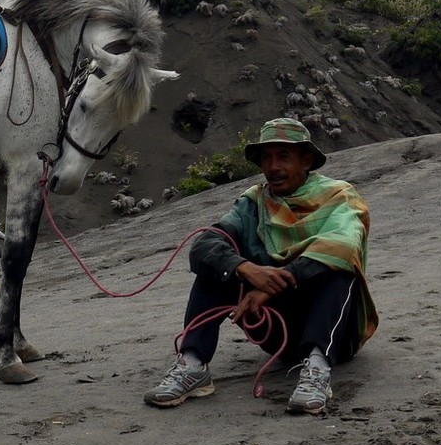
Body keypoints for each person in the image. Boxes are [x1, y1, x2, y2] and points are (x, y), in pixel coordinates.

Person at [144, 117, 377, 415]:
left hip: (337, 336)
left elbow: (341, 246)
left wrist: (270, 286)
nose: (273, 167)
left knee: (339, 269)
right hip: (275, 331)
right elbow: (204, 245)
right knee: (217, 265)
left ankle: (317, 369)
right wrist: (244, 268)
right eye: (266, 158)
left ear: (306, 161)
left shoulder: (340, 197)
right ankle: (193, 364)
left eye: (283, 156)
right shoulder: (254, 202)